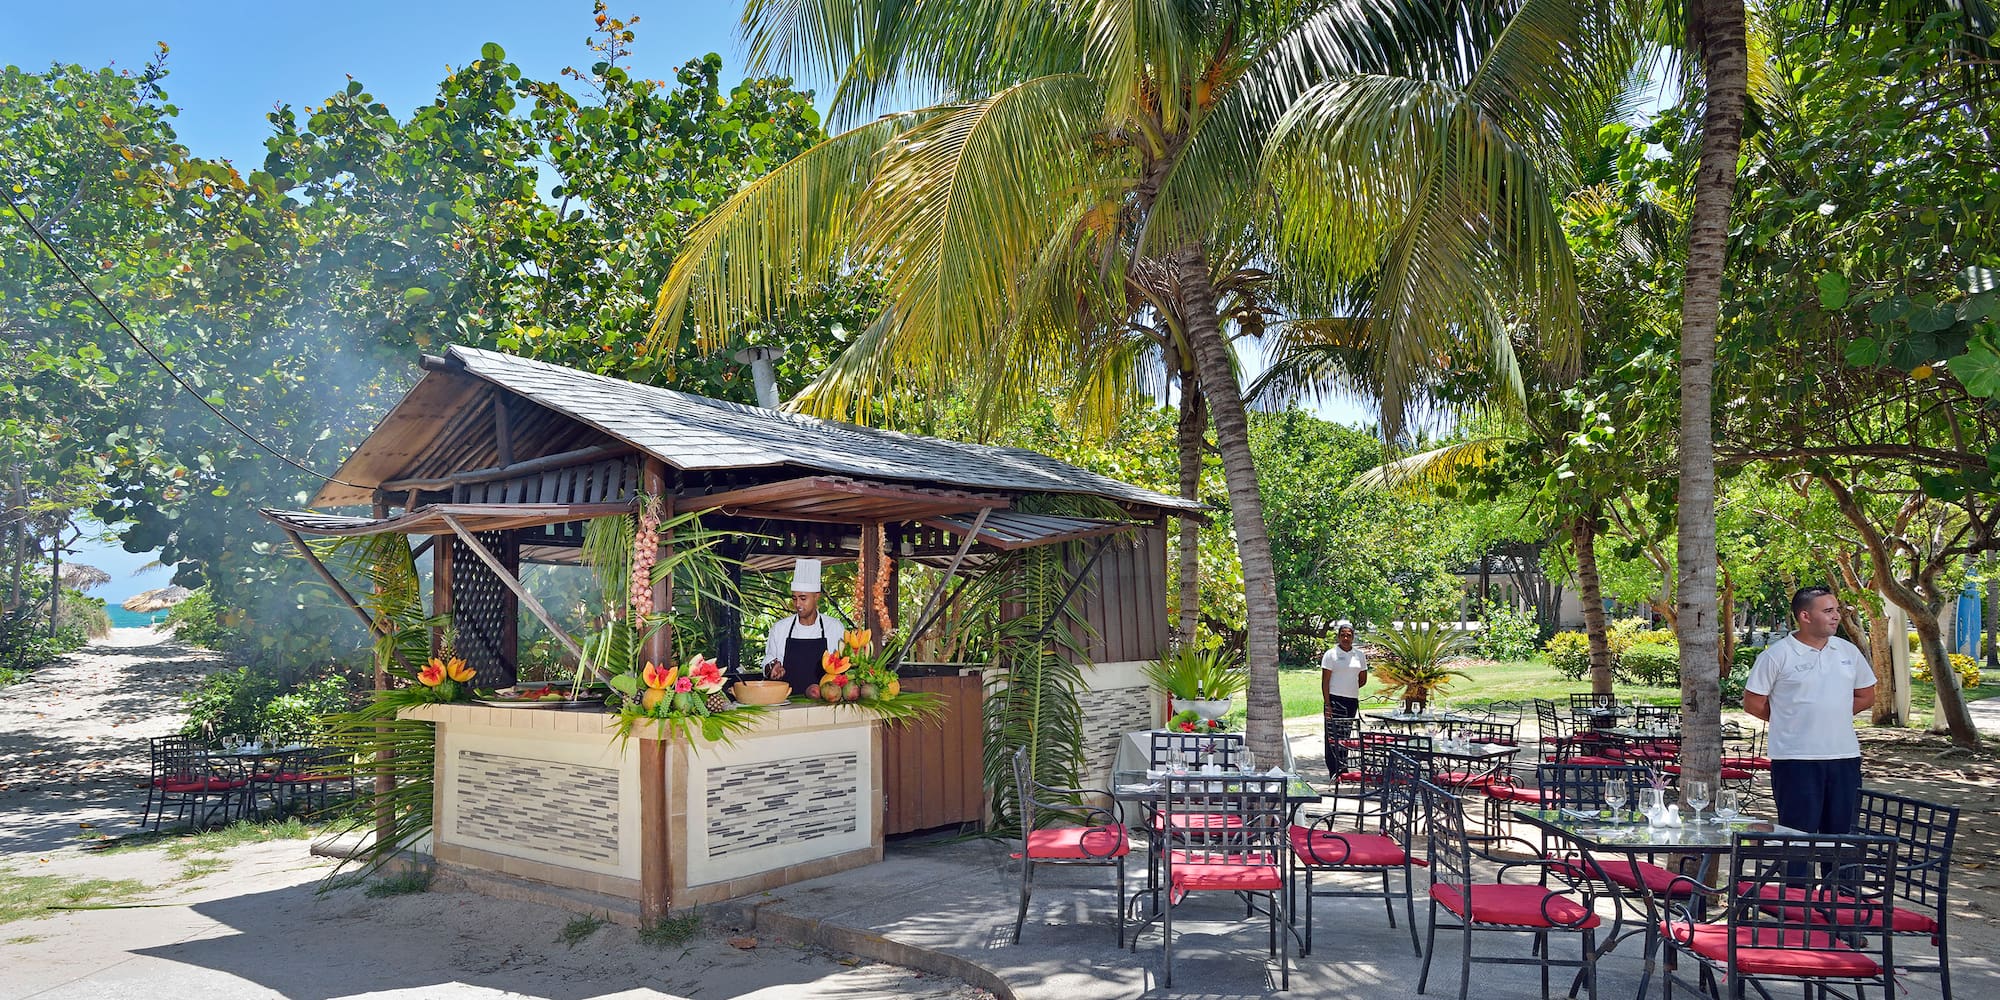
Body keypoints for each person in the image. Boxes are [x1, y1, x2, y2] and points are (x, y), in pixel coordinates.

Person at [1742, 585, 1877, 834]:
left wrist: (1833, 715)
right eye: (1828, 611)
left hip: (1844, 758)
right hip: (1795, 760)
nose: (1836, 616)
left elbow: (1866, 696)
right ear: (1805, 616)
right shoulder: (1777, 655)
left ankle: (1838, 876)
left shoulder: (1848, 651)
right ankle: (1795, 875)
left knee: (1842, 841)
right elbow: (1753, 703)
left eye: (1837, 610)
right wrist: (1790, 719)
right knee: (1796, 839)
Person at [762, 559, 846, 698]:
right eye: (794, 599)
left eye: (803, 598)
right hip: (787, 701)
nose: (798, 604)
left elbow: (842, 664)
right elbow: (768, 659)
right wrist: (771, 668)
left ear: (816, 596)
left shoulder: (834, 627)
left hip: (825, 702)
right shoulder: (780, 628)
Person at [1321, 621, 1369, 778]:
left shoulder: (1359, 656)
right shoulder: (1331, 654)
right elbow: (1325, 681)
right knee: (1333, 735)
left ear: (1353, 637)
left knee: (1346, 735)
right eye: (1343, 635)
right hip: (1334, 699)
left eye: (1349, 635)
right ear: (1338, 637)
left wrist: (1349, 688)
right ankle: (1334, 770)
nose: (1346, 638)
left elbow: (1362, 679)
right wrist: (1328, 704)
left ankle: (1343, 768)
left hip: (1351, 700)